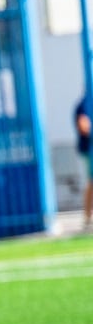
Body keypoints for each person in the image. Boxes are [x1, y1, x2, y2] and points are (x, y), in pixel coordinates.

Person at [75, 94, 92, 230]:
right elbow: (83, 126)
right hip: (89, 150)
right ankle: (87, 217)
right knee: (91, 182)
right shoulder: (85, 104)